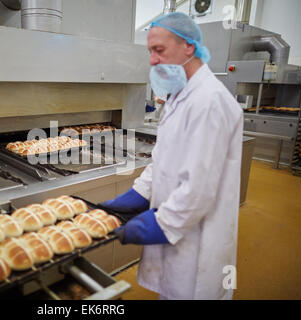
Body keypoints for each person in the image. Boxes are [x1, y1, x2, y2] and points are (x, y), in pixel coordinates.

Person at [101, 12, 243, 300]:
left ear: (188, 47)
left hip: (198, 241)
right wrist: (138, 194)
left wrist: (157, 224)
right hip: (178, 225)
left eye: (159, 50)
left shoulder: (210, 102)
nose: (152, 59)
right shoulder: (180, 96)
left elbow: (199, 189)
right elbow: (163, 159)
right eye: (149, 51)